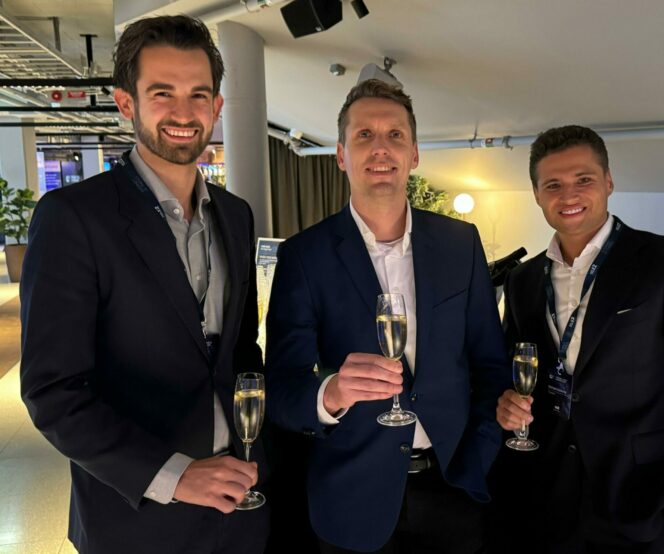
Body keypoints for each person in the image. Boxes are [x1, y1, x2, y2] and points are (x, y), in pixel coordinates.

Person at [20, 15, 269, 554]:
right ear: (126, 103)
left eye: (198, 95)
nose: (183, 112)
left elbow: (241, 351)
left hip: (238, 508)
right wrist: (174, 475)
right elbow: (53, 391)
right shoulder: (74, 217)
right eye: (162, 93)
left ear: (217, 107)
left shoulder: (236, 215)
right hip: (134, 520)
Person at [264, 79, 508, 554]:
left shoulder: (461, 244)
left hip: (452, 489)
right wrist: (332, 393)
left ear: (414, 153)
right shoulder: (304, 256)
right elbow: (283, 388)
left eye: (395, 135)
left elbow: (489, 363)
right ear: (341, 155)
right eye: (364, 135)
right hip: (351, 497)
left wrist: (480, 452)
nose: (381, 148)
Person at [490, 125, 664, 553]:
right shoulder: (523, 280)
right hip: (548, 497)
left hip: (647, 500)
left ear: (608, 182)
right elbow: (511, 370)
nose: (569, 195)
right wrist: (506, 402)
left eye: (584, 179)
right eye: (553, 184)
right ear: (536, 194)